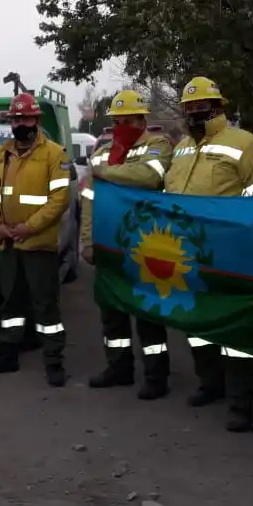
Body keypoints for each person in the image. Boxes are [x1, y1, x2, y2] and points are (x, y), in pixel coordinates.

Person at [164, 76, 253, 432]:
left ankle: (241, 402)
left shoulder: (244, 143)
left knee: (234, 332)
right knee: (196, 324)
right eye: (189, 108)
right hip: (187, 253)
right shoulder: (182, 148)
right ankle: (210, 384)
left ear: (217, 107)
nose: (195, 113)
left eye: (201, 107)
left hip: (229, 254)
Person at [81, 89, 174, 399]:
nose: (122, 126)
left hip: (146, 244)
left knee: (148, 315)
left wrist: (104, 172)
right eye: (117, 121)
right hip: (109, 242)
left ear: (142, 120)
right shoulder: (102, 152)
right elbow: (89, 199)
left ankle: (156, 377)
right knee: (112, 313)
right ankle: (118, 368)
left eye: (129, 120)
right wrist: (87, 241)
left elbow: (148, 176)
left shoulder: (158, 145)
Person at [0, 92, 72, 387]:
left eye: (26, 119)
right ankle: (8, 355)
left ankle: (54, 362)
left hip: (38, 245)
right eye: (15, 119)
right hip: (7, 244)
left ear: (37, 120)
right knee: (10, 303)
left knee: (45, 306)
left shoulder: (54, 154)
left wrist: (28, 228)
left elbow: (60, 200)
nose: (20, 124)